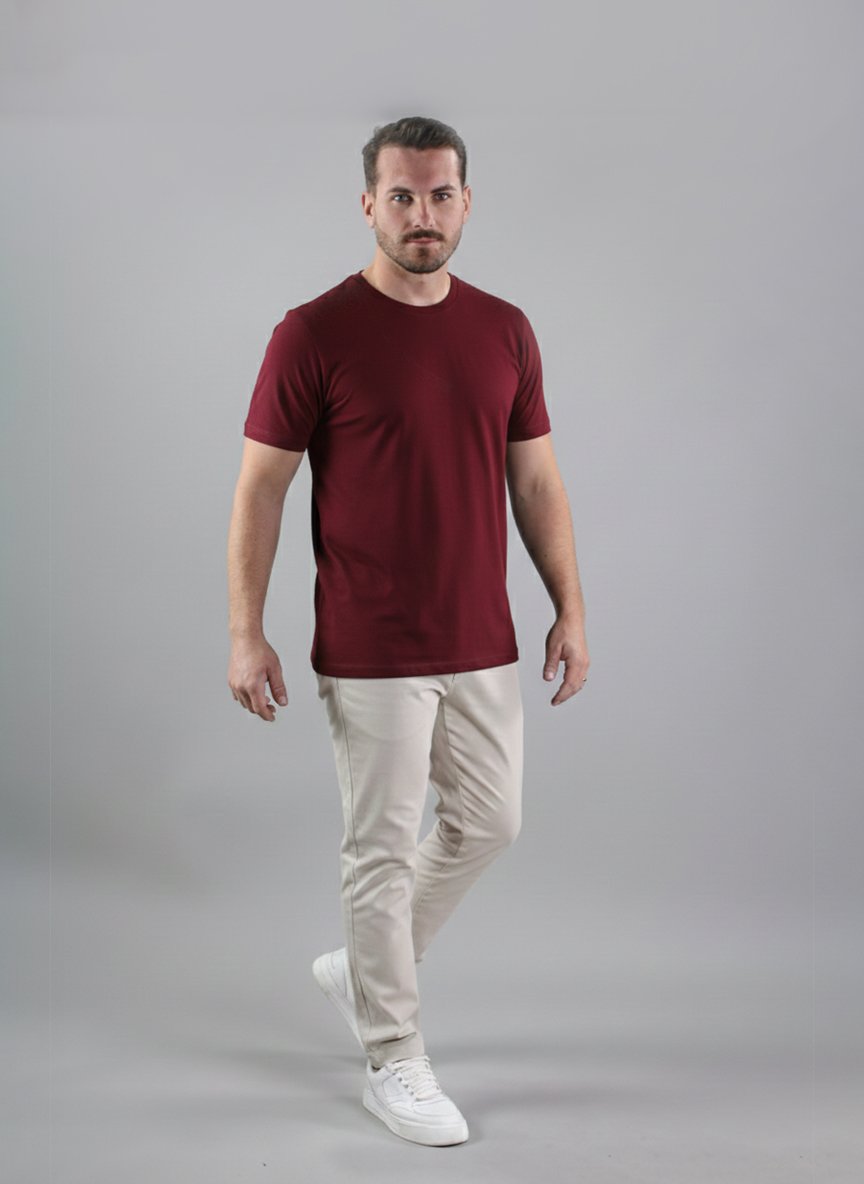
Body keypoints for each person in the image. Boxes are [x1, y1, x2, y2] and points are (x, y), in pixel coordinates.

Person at [226, 114, 589, 1147]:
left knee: (491, 820)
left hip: (481, 632)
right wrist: (246, 629)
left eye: (439, 195)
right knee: (378, 852)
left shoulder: (506, 329)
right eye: (401, 195)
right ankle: (394, 1055)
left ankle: (361, 969)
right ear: (368, 205)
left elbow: (536, 479)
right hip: (371, 637)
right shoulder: (313, 333)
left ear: (466, 202)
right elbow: (261, 488)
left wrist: (569, 604)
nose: (421, 214)